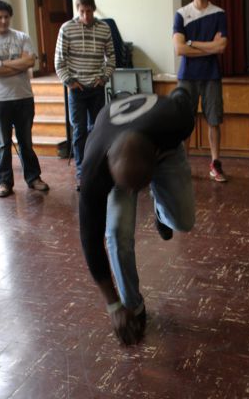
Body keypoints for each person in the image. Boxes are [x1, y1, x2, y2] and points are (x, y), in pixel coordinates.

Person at [79, 88, 195, 345]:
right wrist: (114, 306)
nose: (132, 194)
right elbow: (90, 240)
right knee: (117, 233)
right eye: (129, 188)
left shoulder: (177, 121)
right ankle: (134, 306)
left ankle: (160, 211)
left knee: (183, 221)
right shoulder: (93, 171)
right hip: (120, 156)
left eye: (138, 188)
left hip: (162, 146)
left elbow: (184, 93)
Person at [0, 0, 49, 198]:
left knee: (26, 141)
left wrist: (3, 64)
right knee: (3, 143)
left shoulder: (22, 37)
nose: (3, 20)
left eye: (6, 16)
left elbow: (29, 62)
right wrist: (17, 65)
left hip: (24, 97)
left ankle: (34, 178)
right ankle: (4, 182)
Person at [55, 0, 116, 191]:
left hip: (96, 87)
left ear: (93, 10)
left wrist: (104, 77)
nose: (86, 16)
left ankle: (97, 169)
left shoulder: (104, 28)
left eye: (89, 11)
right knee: (79, 131)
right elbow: (59, 60)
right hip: (76, 89)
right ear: (77, 10)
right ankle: (82, 173)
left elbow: (112, 57)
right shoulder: (67, 28)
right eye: (82, 12)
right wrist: (69, 81)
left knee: (97, 130)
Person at [173, 0, 228, 182]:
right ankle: (182, 165)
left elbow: (221, 46)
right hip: (187, 76)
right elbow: (179, 48)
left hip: (211, 75)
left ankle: (215, 164)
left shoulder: (219, 13)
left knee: (214, 120)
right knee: (183, 122)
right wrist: (209, 48)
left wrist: (192, 43)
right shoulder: (181, 14)